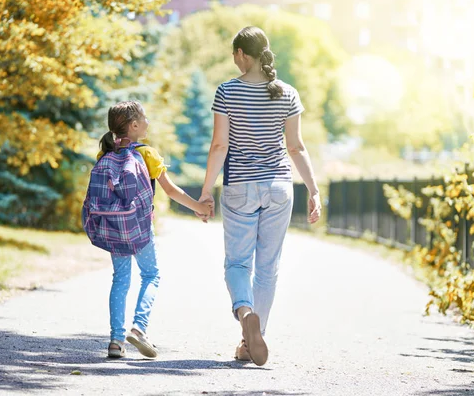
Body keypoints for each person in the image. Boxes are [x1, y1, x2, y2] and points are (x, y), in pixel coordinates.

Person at [197, 26, 321, 366]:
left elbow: (220, 145)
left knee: (238, 263)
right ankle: (253, 339)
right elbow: (296, 147)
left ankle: (245, 312)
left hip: (239, 187)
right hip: (280, 187)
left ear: (240, 54)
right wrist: (313, 189)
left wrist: (206, 191)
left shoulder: (227, 92)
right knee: (267, 269)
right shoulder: (288, 93)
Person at [94, 101, 212, 359]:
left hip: (114, 227)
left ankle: (115, 340)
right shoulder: (147, 153)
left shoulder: (105, 154)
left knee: (120, 279)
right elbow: (171, 190)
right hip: (140, 227)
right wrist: (199, 207)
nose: (148, 121)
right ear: (134, 125)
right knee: (151, 274)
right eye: (145, 118)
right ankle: (138, 328)